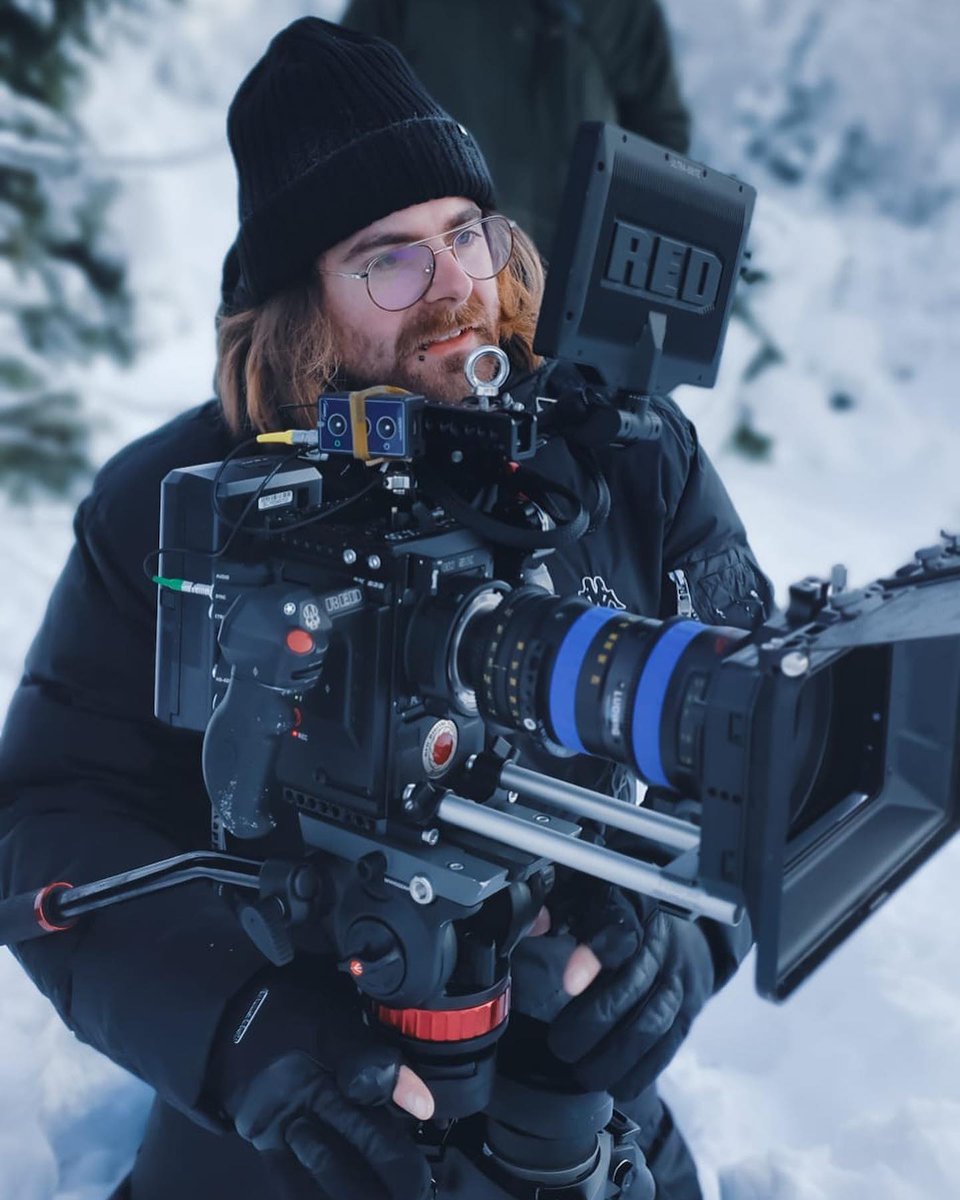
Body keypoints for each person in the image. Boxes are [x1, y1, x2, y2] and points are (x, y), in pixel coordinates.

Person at [0, 18, 771, 1200]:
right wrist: (237, 1030)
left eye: (466, 232)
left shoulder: (623, 457)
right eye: (389, 257)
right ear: (302, 306)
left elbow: (766, 720)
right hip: (300, 1087)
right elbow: (48, 814)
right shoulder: (176, 508)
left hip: (562, 1070)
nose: (458, 287)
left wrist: (685, 941)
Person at [340, 0, 692, 254]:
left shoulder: (622, 10)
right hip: (439, 268)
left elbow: (661, 138)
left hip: (569, 280)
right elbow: (342, 105)